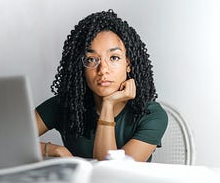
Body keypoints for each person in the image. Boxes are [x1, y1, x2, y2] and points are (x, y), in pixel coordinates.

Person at [35, 10, 168, 162]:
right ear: (81, 67)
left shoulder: (151, 115)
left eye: (114, 57)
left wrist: (108, 105)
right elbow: (6, 140)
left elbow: (111, 175)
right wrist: (54, 150)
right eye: (91, 59)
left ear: (128, 64)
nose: (103, 69)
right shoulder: (66, 104)